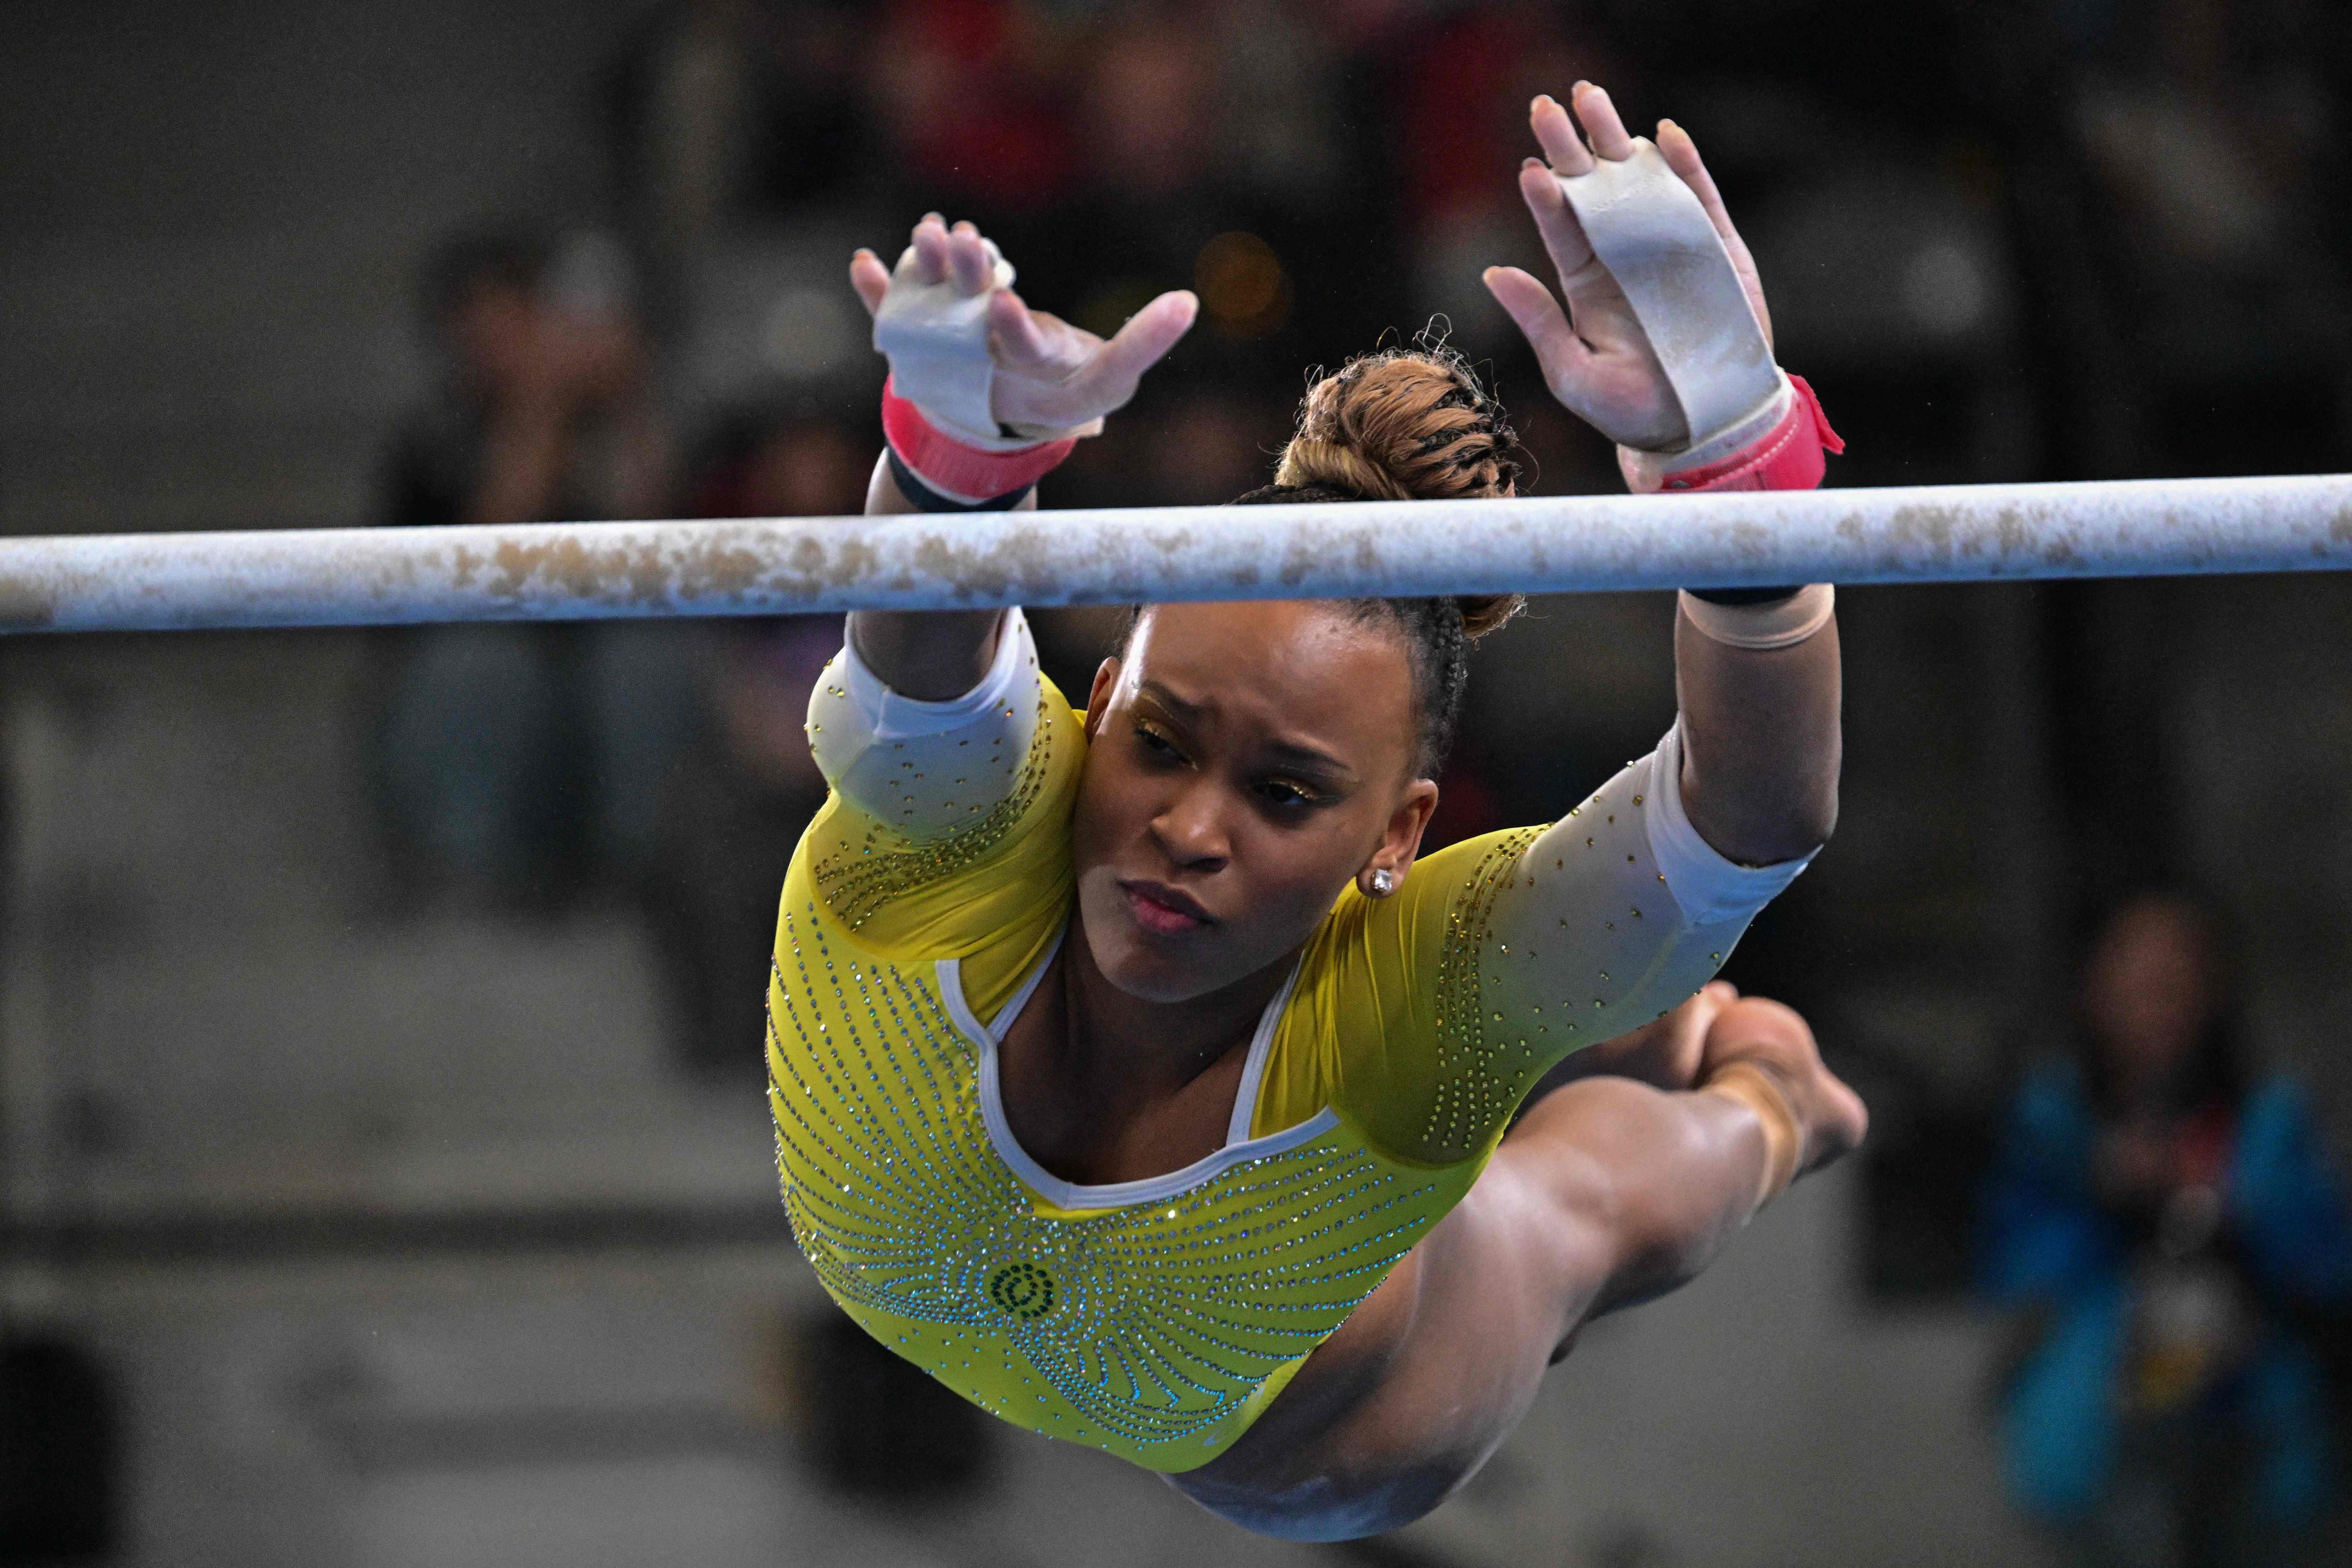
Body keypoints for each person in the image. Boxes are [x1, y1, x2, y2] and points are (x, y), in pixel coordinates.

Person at [767, 83, 1865, 1538]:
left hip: (1313, 1424)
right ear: (1094, 708)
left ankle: (1775, 1097)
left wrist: (1740, 492)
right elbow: (921, 665)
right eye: (1160, 744)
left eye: (1282, 792)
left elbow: (1746, 814)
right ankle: (1654, 1020)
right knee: (1582, 1040)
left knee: (1583, 1220)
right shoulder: (966, 830)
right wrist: (950, 466)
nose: (1189, 828)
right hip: (1165, 1311)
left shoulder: (1414, 1004)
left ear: (1395, 838)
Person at [1982, 893, 2352, 1566]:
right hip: (2099, 1432)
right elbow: (2013, 1263)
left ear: (2213, 993)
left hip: (2253, 1428)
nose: (2153, 1007)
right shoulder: (2055, 1119)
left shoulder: (2267, 1116)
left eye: (2172, 986)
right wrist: (2105, 1187)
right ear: (2094, 990)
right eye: (2135, 986)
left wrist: (2233, 1200)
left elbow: (2325, 1262)